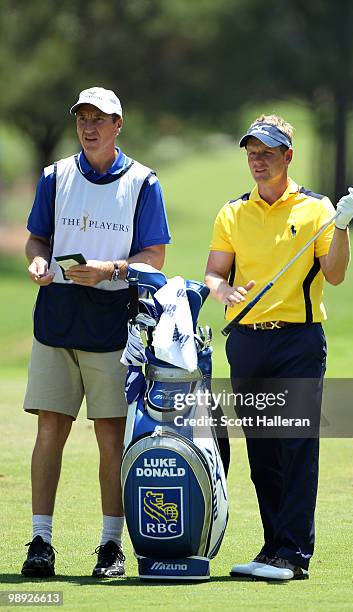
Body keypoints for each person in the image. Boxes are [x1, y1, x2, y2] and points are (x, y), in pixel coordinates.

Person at [21, 87, 171, 578]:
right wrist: (39, 259)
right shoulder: (55, 176)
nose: (89, 127)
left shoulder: (144, 182)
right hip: (57, 318)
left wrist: (110, 269)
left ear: (117, 125)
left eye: (99, 119)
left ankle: (111, 546)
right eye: (83, 118)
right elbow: (37, 238)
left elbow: (154, 257)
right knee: (50, 431)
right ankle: (41, 540)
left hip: (112, 322)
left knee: (111, 437)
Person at [204, 114, 353, 581]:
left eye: (268, 152)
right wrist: (221, 291)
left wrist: (344, 228)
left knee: (295, 444)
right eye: (252, 152)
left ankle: (294, 553)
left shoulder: (316, 209)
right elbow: (214, 272)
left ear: (287, 156)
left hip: (297, 340)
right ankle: (273, 548)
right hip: (248, 342)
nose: (258, 160)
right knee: (262, 450)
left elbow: (334, 274)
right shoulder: (233, 212)